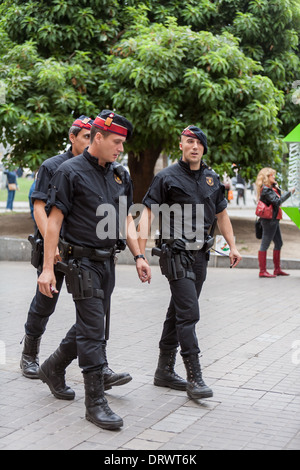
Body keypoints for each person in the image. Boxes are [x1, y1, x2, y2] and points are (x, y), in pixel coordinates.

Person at [37, 110, 151, 430]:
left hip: (107, 262)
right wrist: (48, 269)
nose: (120, 149)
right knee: (92, 329)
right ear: (97, 138)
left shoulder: (120, 174)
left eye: (123, 144)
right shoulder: (69, 172)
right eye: (116, 142)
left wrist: (139, 256)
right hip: (81, 262)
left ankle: (53, 367)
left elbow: (125, 219)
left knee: (92, 323)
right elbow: (54, 223)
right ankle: (95, 403)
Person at [21, 115, 132, 393]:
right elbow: (41, 209)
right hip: (55, 248)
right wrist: (54, 247)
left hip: (85, 254)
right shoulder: (55, 167)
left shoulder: (105, 169)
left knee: (94, 314)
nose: (86, 141)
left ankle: (94, 365)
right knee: (46, 303)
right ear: (74, 138)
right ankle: (30, 354)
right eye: (83, 136)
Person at [138, 125, 242, 401]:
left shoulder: (212, 178)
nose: (194, 146)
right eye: (189, 142)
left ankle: (163, 370)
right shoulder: (166, 177)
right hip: (175, 255)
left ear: (204, 148)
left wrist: (232, 245)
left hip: (200, 256)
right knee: (189, 314)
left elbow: (222, 215)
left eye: (198, 143)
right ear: (181, 145)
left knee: (178, 311)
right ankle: (195, 377)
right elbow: (147, 212)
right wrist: (139, 251)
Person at [256, 167, 295, 278]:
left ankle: (277, 269)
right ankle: (262, 271)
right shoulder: (266, 190)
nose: (274, 177)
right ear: (267, 177)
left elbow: (278, 197)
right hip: (269, 220)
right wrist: (290, 193)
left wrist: (277, 187)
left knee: (279, 243)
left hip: (274, 219)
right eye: (272, 175)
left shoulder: (271, 188)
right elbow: (277, 201)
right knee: (265, 244)